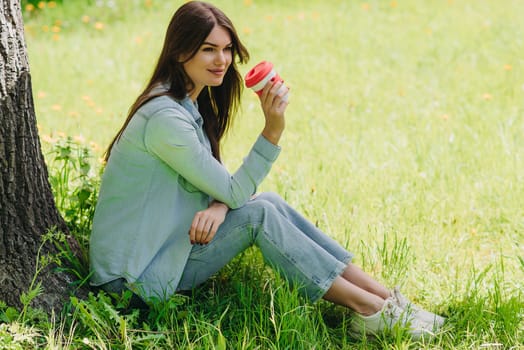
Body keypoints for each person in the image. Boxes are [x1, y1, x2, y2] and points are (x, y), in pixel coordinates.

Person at [89, 0, 445, 340]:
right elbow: (232, 190)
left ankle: (388, 301)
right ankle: (368, 309)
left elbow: (221, 187)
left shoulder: (183, 103)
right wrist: (272, 132)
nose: (223, 60)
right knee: (259, 214)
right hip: (130, 283)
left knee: (268, 202)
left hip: (163, 254)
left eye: (227, 49)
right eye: (209, 49)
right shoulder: (165, 117)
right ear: (181, 52)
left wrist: (219, 204)